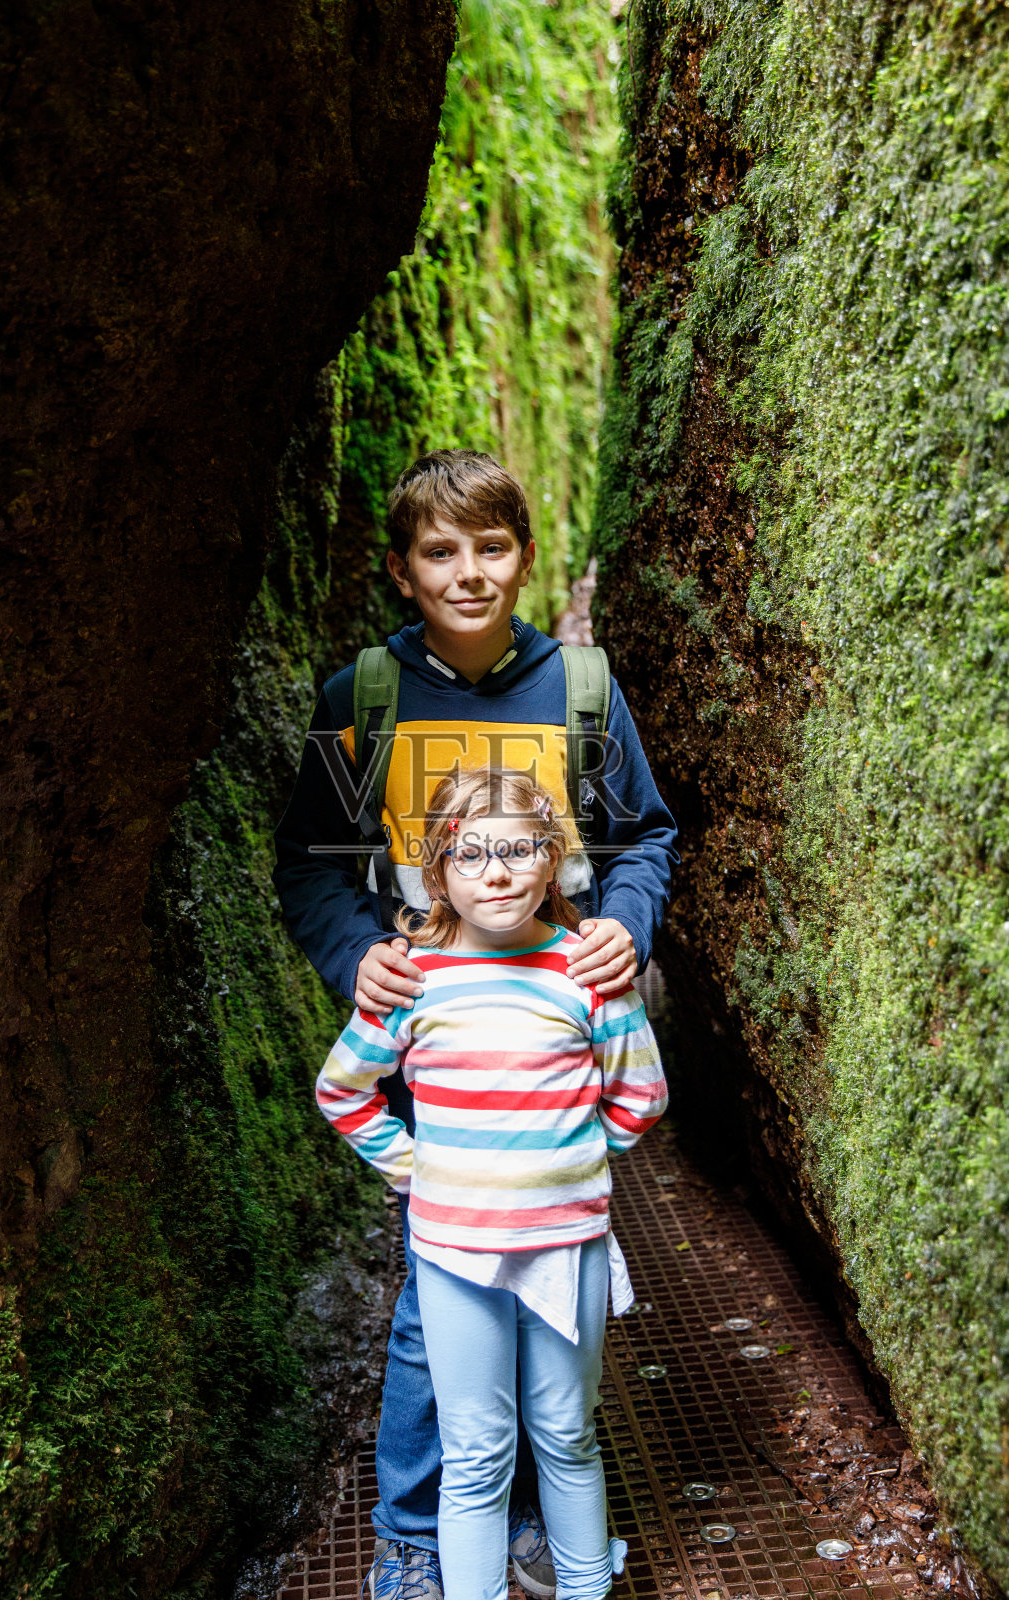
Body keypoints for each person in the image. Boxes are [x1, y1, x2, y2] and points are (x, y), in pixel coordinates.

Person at [273, 449, 677, 1598]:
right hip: (431, 1032)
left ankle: (551, 1523)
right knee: (431, 1282)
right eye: (438, 553)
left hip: (553, 1018)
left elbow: (643, 836)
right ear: (402, 571)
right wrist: (367, 967)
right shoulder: (363, 702)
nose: (467, 573)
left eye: (489, 548)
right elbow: (311, 864)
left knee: (556, 1279)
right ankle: (417, 1529)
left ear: (523, 556)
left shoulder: (580, 694)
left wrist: (625, 931)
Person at [316, 770, 669, 1599]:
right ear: (437, 875)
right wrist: (416, 1168)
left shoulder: (587, 972)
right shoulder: (413, 978)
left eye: (517, 849)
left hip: (564, 1247)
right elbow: (342, 1090)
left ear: (551, 861)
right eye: (468, 856)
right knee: (476, 1452)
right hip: (453, 1254)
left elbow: (642, 1095)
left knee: (565, 1434)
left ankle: (585, 1590)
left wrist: (571, 1160)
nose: (497, 871)